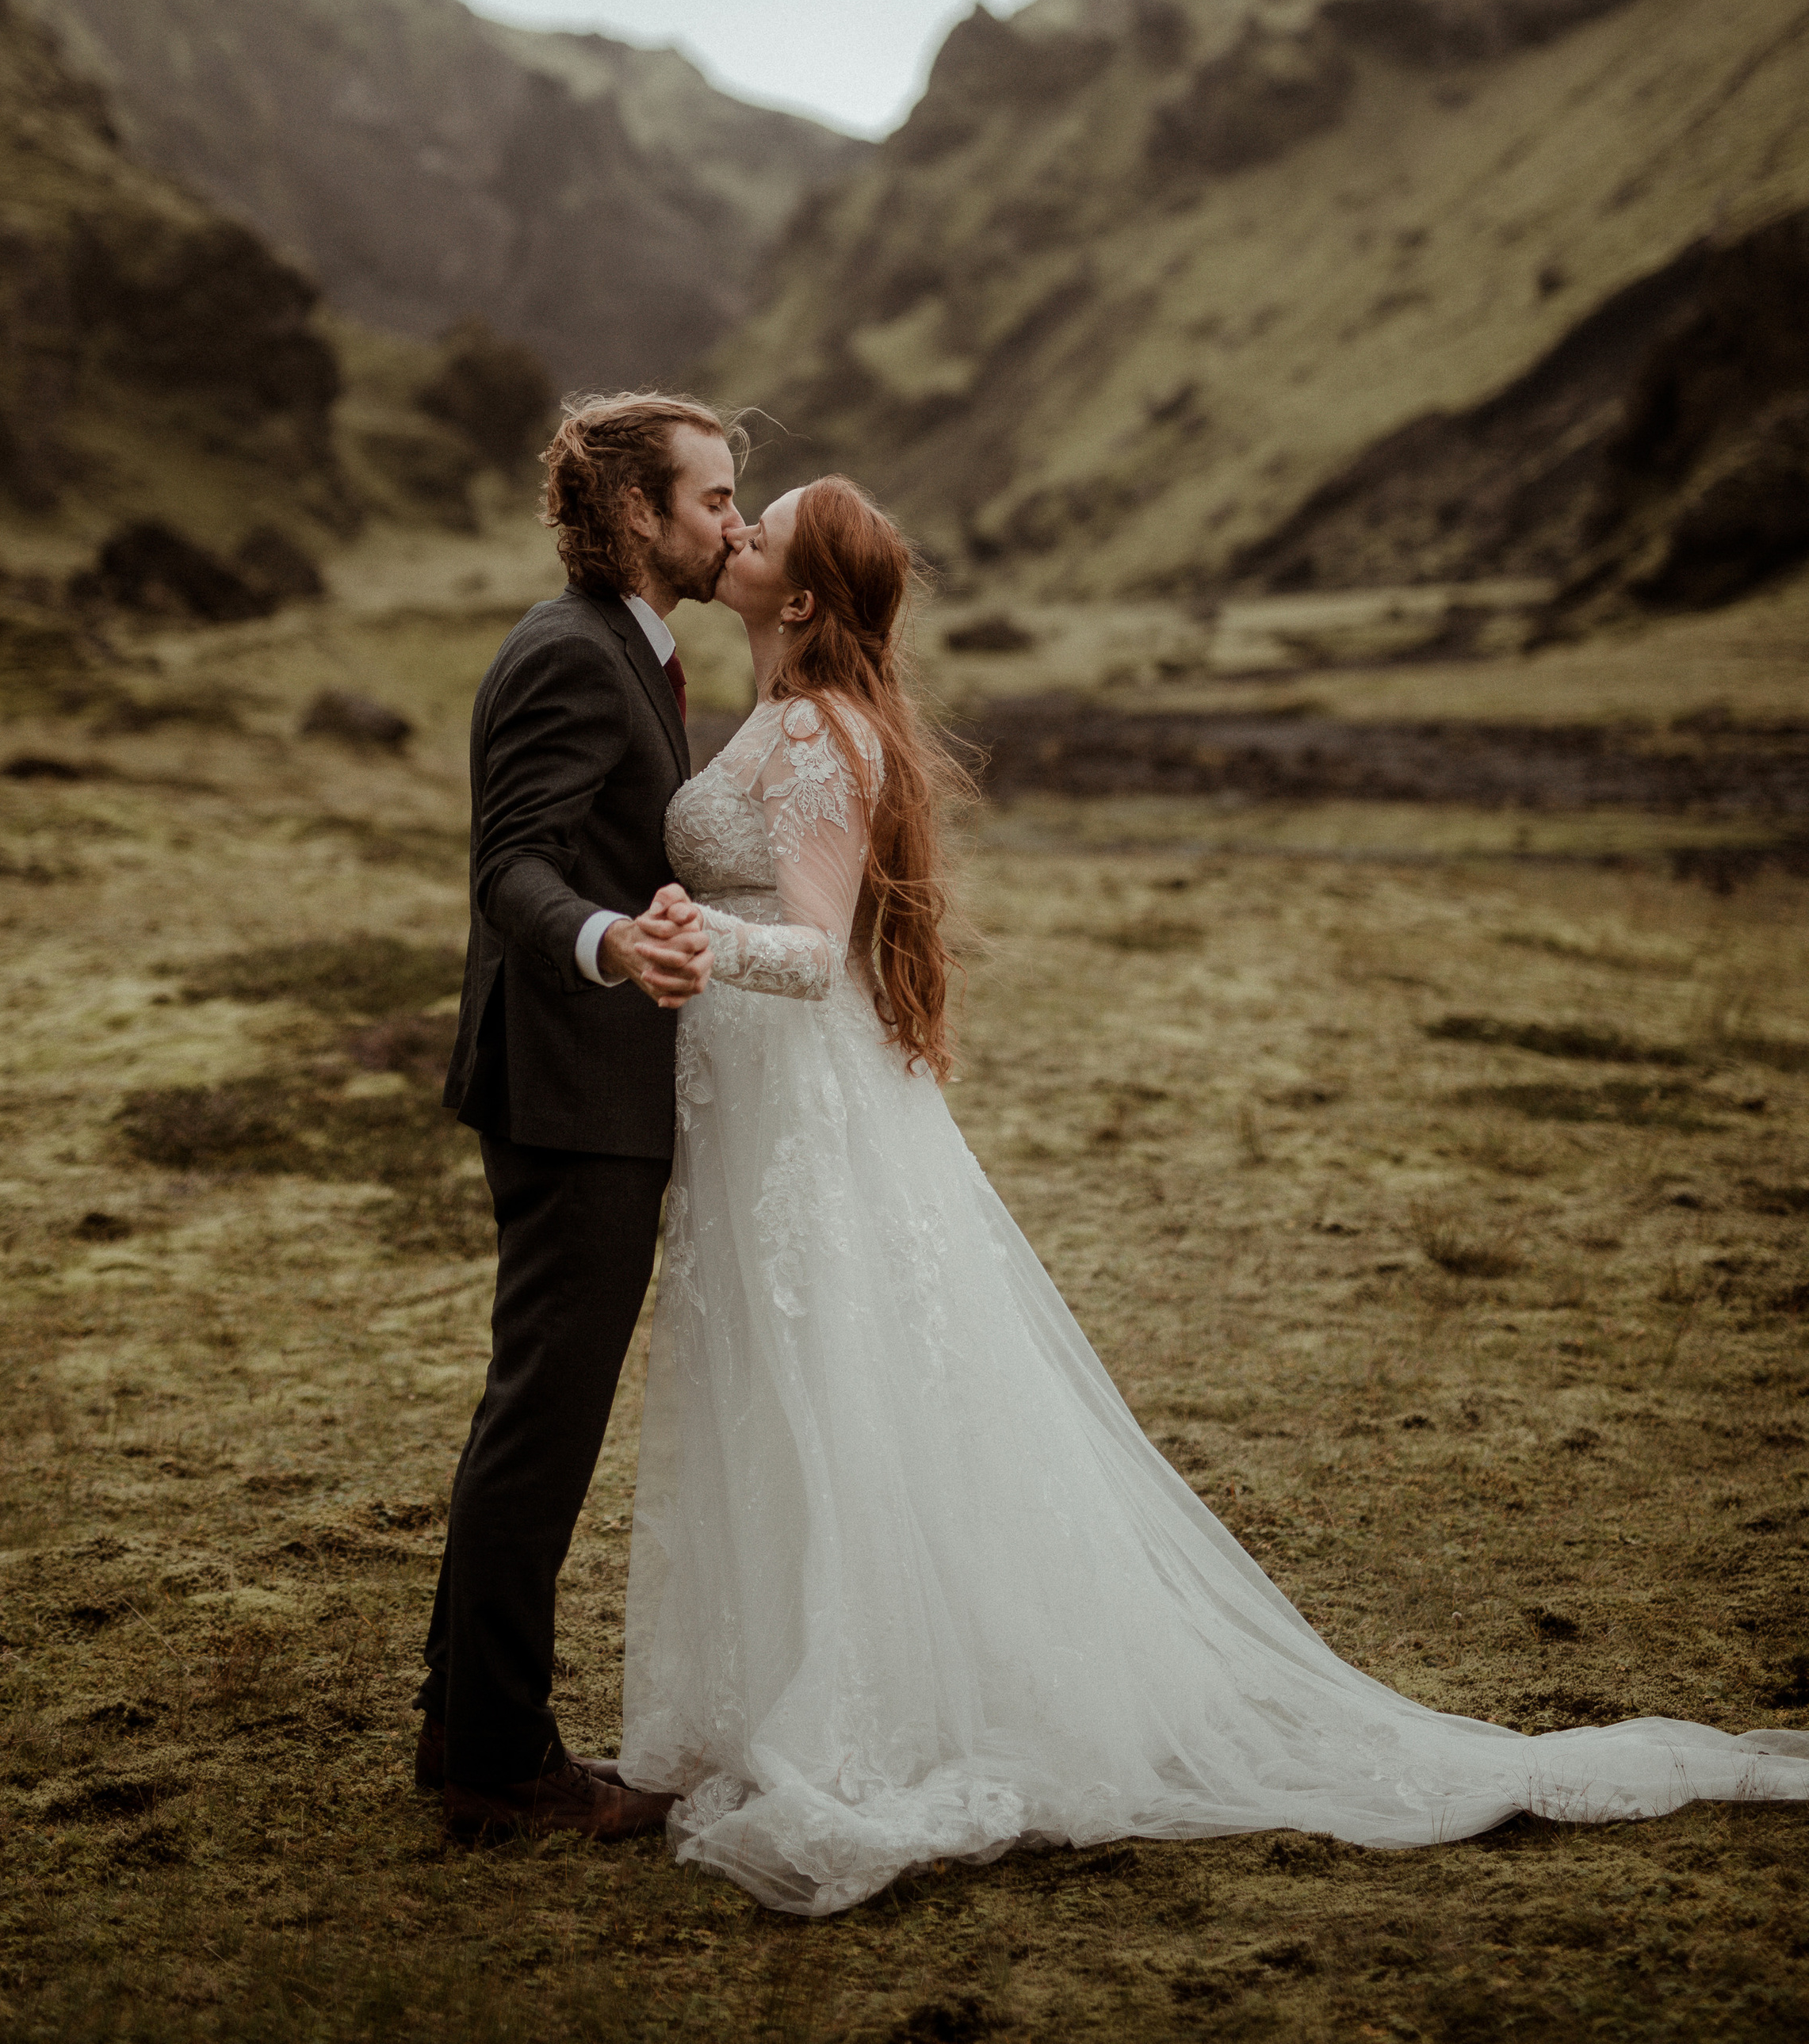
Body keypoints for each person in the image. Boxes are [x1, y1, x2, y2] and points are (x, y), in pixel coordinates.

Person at [615, 473, 1809, 1916]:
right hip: (765, 1113)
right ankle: (791, 1686)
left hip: (803, 1113)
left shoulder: (813, 735)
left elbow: (814, 956)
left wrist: (675, 935)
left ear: (799, 598)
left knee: (826, 1383)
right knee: (788, 1383)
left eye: (762, 528)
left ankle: (854, 1708)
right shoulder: (788, 716)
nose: (731, 534)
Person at [417, 390, 742, 1844]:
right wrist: (611, 941)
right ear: (634, 516)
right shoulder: (569, 655)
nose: (734, 522)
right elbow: (513, 868)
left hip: (598, 1088)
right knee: (543, 1419)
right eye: (714, 498)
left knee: (541, 1410)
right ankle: (493, 1762)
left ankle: (476, 1735)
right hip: (569, 1095)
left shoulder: (634, 649)